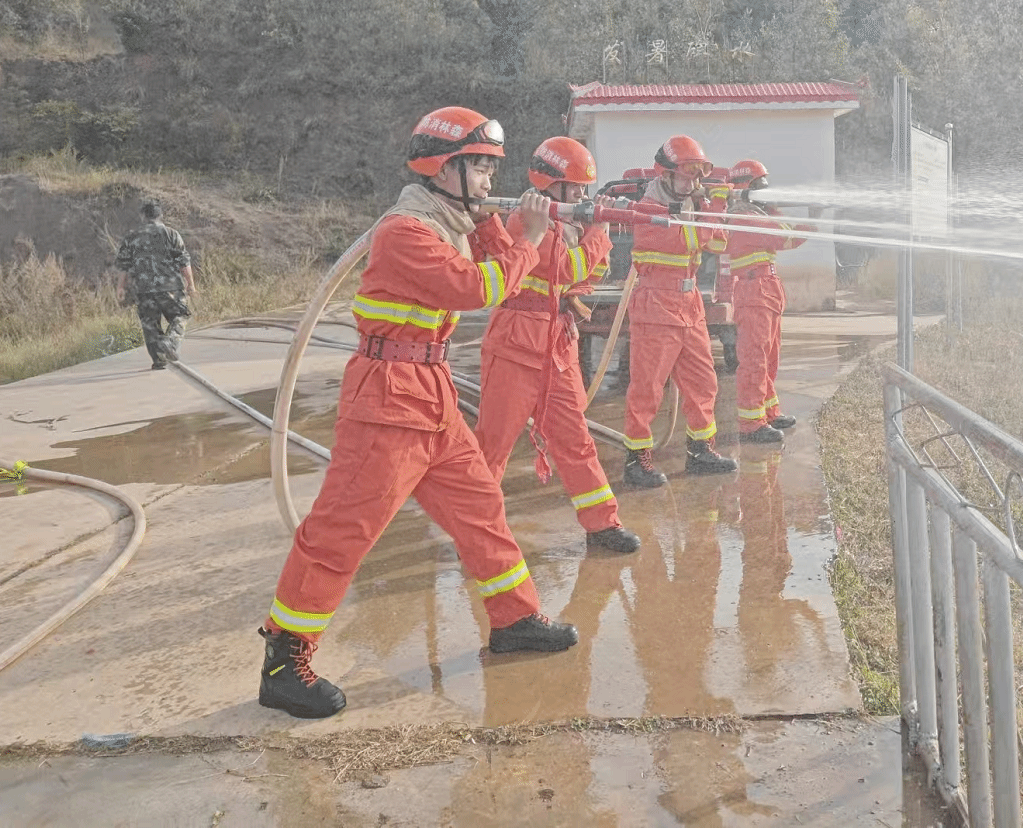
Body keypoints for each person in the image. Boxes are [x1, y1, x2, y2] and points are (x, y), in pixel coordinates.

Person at [256, 106, 576, 720]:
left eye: (490, 169)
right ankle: (284, 662)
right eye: (480, 167)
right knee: (341, 532)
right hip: (387, 398)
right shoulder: (406, 231)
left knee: (481, 509)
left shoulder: (449, 222)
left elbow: (495, 265)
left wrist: (493, 223)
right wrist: (530, 238)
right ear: (444, 169)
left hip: (431, 393)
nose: (489, 179)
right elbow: (475, 289)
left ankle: (514, 619)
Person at [473, 136, 641, 554]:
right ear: (551, 184)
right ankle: (475, 530)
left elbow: (591, 274)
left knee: (575, 440)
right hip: (516, 344)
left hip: (557, 343)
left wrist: (591, 232)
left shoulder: (566, 224)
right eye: (576, 188)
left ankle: (602, 525)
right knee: (493, 446)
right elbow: (565, 269)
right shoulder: (525, 219)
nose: (582, 196)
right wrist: (599, 232)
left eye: (585, 189)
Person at [621, 135, 737, 488]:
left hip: (689, 304)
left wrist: (711, 207)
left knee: (704, 382)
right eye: (688, 175)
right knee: (647, 389)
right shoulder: (648, 210)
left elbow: (719, 241)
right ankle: (636, 461)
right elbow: (691, 238)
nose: (694, 182)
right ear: (667, 174)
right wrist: (715, 207)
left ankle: (701, 451)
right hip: (656, 306)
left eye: (699, 175)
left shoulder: (692, 207)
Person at [721, 160, 818, 443]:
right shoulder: (743, 217)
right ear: (746, 188)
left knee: (769, 359)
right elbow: (785, 236)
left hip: (765, 290)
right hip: (754, 292)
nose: (766, 191)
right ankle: (751, 424)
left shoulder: (755, 214)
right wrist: (810, 219)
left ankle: (769, 412)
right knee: (755, 361)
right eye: (761, 186)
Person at [114, 201, 196, 370]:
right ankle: (171, 342)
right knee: (181, 315)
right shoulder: (171, 234)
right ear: (161, 216)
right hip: (170, 288)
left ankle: (159, 360)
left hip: (143, 290)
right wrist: (191, 285)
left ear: (142, 216)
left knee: (150, 325)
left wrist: (120, 287)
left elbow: (123, 265)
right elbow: (184, 261)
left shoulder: (131, 237)